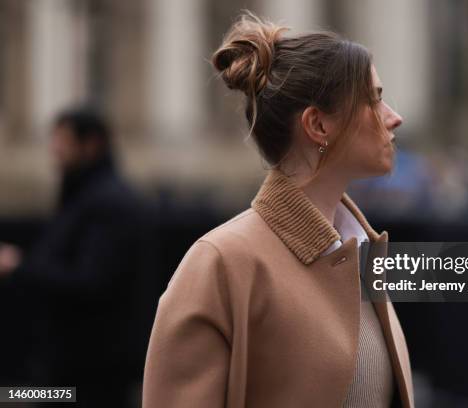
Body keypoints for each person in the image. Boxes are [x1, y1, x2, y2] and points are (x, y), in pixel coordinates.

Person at [143, 11, 414, 408]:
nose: (394, 117)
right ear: (318, 126)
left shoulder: (361, 252)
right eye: (373, 99)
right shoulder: (221, 263)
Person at [0, 107, 149, 407]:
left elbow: (91, 280)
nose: (54, 150)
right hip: (68, 371)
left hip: (89, 375)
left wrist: (19, 267)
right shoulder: (85, 197)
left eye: (62, 141)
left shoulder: (108, 204)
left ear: (90, 144)